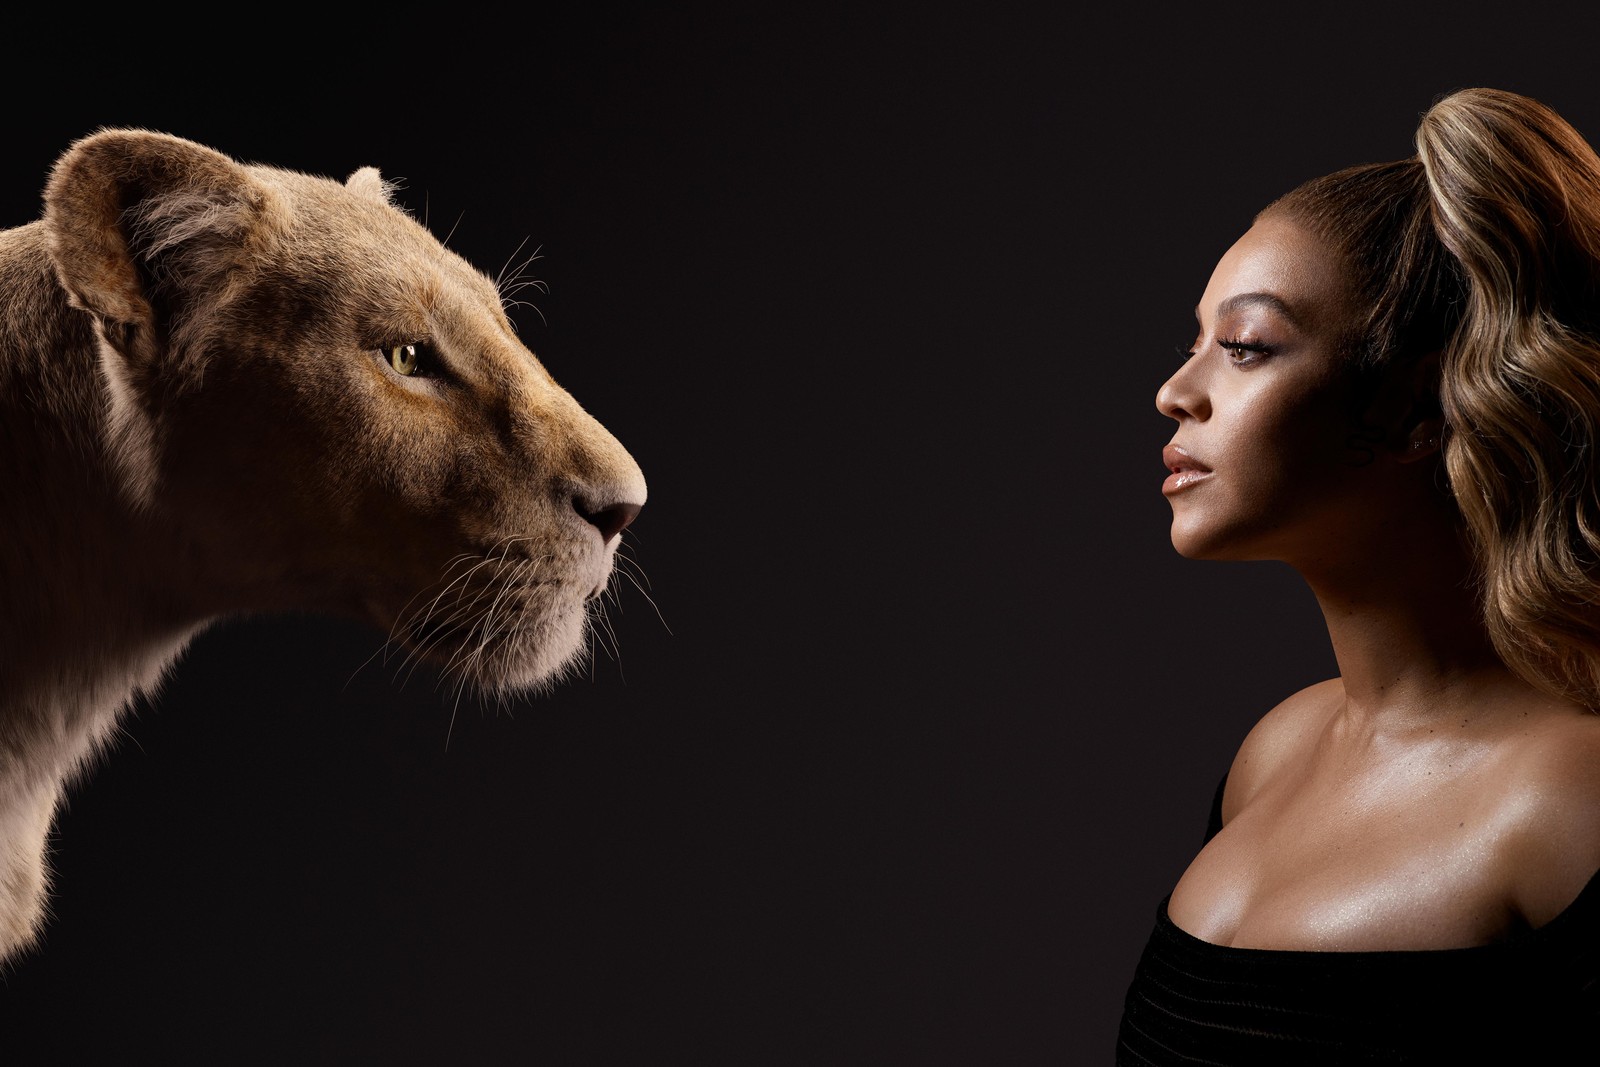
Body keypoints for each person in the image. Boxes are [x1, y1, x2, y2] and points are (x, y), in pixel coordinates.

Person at [1116, 87, 1600, 1065]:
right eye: (1195, 342)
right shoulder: (1273, 752)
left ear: (1420, 404)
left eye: (1246, 346)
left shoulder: (1574, 799)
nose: (1176, 391)